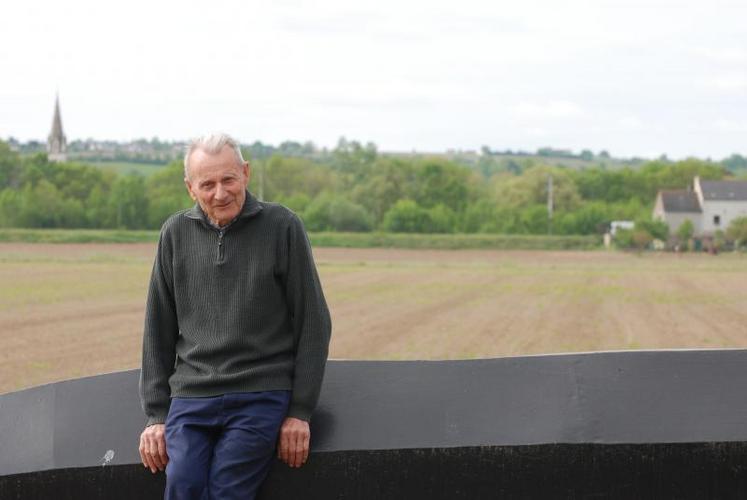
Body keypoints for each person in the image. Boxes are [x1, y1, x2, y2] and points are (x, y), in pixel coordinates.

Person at [138, 133, 332, 499]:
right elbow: (157, 328)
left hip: (260, 392)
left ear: (245, 173)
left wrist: (301, 410)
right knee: (182, 484)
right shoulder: (174, 234)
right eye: (207, 184)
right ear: (190, 188)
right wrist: (156, 415)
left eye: (228, 179)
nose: (220, 193)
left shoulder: (283, 227)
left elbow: (314, 323)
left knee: (229, 490)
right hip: (192, 397)